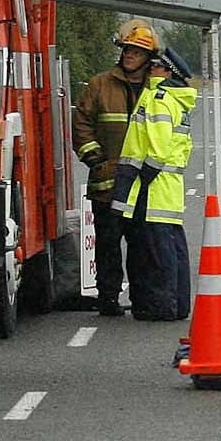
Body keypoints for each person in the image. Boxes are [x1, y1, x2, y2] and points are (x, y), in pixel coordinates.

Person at [74, 21, 159, 316]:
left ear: (149, 58)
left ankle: (141, 298)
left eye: (137, 51)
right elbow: (82, 124)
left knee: (142, 247)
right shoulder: (100, 85)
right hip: (107, 183)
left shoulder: (157, 88)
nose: (130, 55)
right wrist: (95, 159)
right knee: (108, 245)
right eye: (127, 49)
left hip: (143, 185)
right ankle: (107, 298)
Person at [112, 47, 198, 321]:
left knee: (155, 253)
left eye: (156, 66)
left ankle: (160, 307)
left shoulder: (159, 99)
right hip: (167, 189)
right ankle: (175, 305)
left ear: (166, 72)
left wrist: (143, 176)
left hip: (152, 189)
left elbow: (158, 147)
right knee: (172, 249)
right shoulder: (174, 99)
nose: (150, 69)